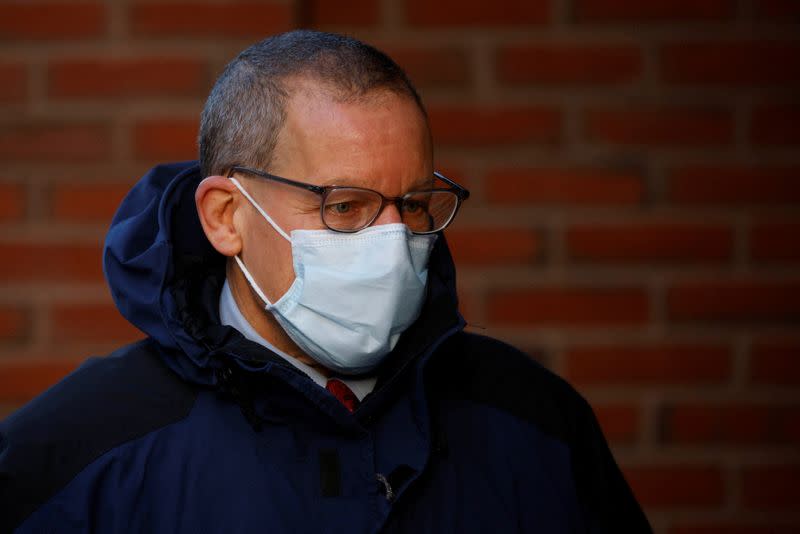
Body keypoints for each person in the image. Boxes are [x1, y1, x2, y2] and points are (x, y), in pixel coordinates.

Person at [0, 30, 651, 533]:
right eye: (345, 206)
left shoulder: (534, 423)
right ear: (226, 218)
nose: (392, 243)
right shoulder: (81, 450)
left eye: (417, 204)